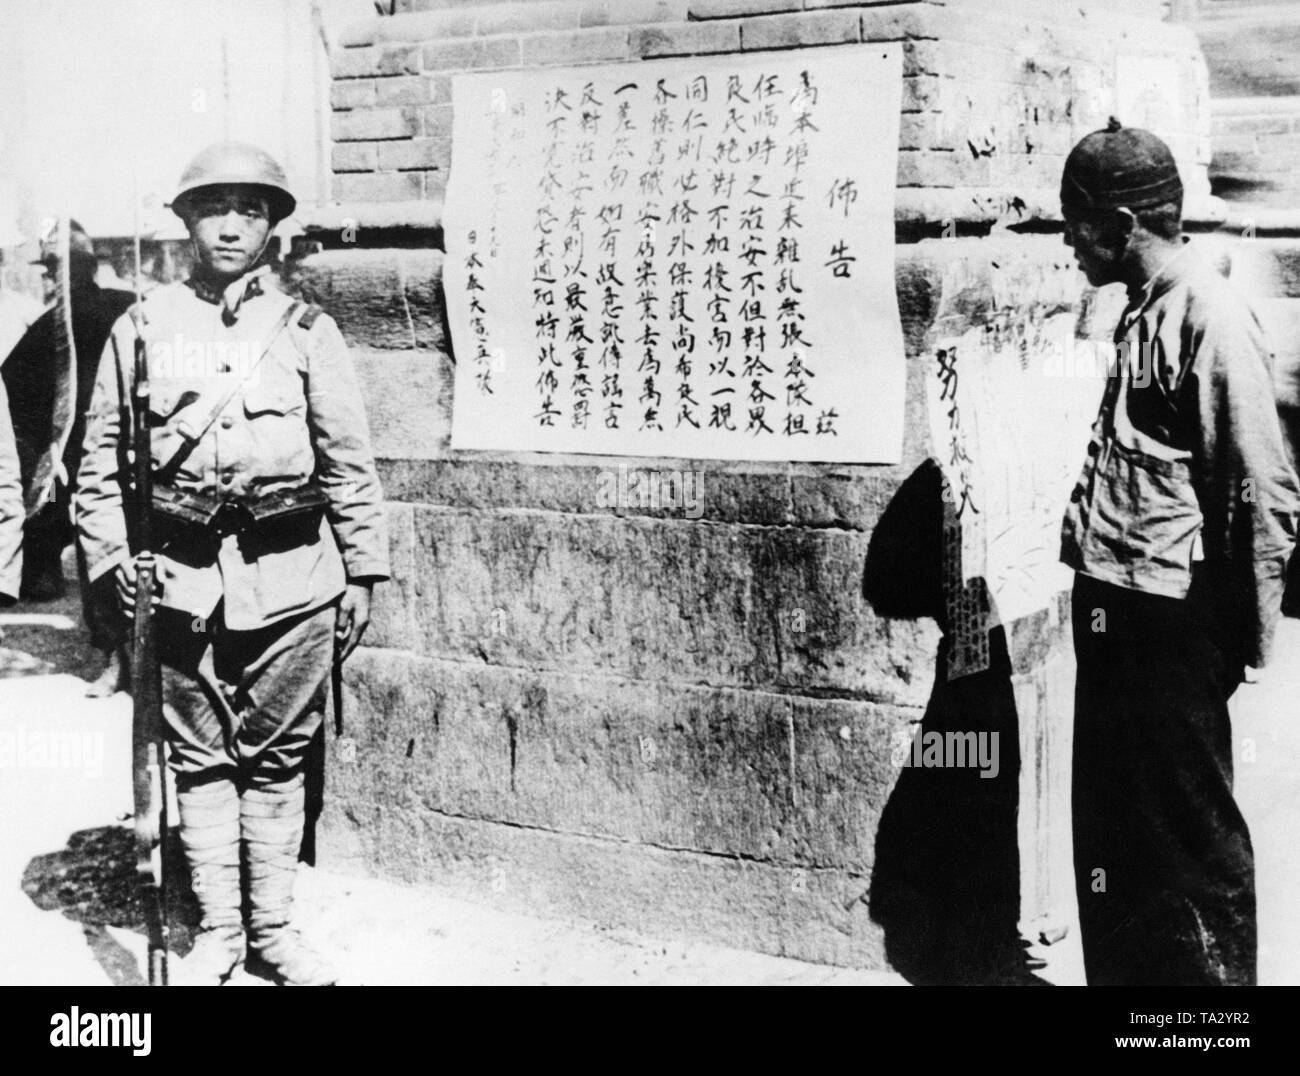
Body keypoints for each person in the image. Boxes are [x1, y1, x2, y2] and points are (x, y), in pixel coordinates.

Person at [75, 141, 390, 986]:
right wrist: (112, 564)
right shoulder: (140, 329)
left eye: (251, 210)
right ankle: (219, 931)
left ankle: (275, 932)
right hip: (176, 583)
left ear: (273, 226)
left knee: (278, 759)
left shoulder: (306, 331)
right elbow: (97, 467)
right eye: (213, 207)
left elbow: (347, 462)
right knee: (201, 759)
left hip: (295, 581)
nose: (231, 226)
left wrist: (363, 571)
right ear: (185, 220)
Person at [1059, 119, 1300, 986]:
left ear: (1120, 227)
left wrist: (1251, 640)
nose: (1069, 243)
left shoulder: (1209, 310)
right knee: (1120, 838)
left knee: (1191, 844)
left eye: (1076, 222)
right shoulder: (1143, 307)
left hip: (1173, 627)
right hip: (1118, 614)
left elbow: (1261, 486)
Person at [3, 219, 135, 694]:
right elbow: (17, 389)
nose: (54, 278)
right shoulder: (52, 326)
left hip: (132, 450)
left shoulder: (129, 312)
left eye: (57, 268)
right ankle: (114, 655)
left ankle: (131, 657)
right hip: (85, 458)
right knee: (100, 552)